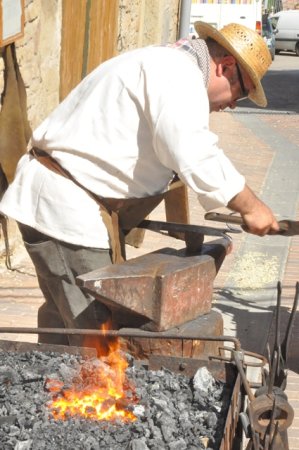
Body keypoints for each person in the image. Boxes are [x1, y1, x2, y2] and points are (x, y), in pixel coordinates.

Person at [0, 21, 280, 346]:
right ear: (226, 66)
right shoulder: (177, 73)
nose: (234, 104)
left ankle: (46, 387)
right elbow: (195, 152)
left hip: (63, 203)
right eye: (242, 92)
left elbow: (171, 151)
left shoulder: (167, 66)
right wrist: (251, 206)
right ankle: (90, 394)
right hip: (66, 211)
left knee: (63, 323)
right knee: (99, 337)